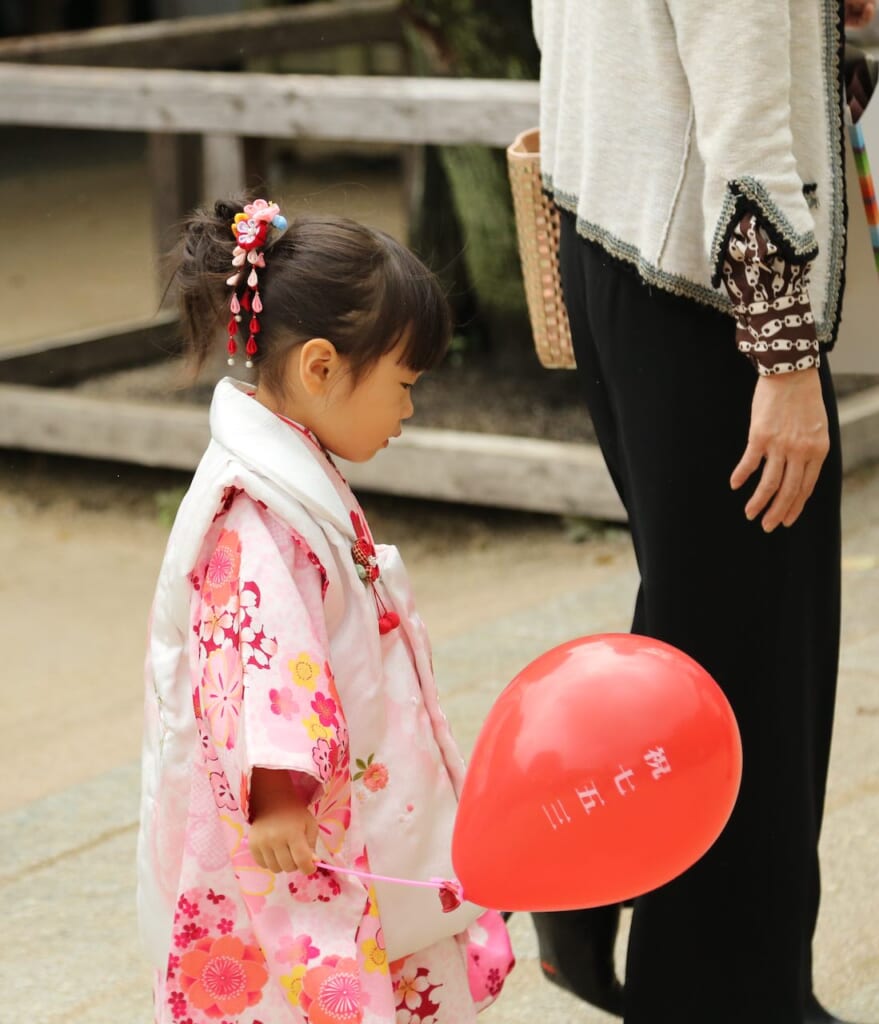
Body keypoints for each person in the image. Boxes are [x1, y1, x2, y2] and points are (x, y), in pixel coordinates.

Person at [530, 2, 876, 1023]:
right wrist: (783, 355)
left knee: (703, 639)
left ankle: (619, 917)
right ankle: (723, 994)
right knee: (750, 678)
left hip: (615, 240)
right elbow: (741, 98)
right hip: (710, 295)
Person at [136, 198, 513, 1024]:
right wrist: (274, 792)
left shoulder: (290, 475)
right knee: (313, 983)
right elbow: (253, 656)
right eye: (403, 385)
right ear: (319, 367)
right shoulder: (252, 509)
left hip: (335, 805)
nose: (407, 412)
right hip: (294, 821)